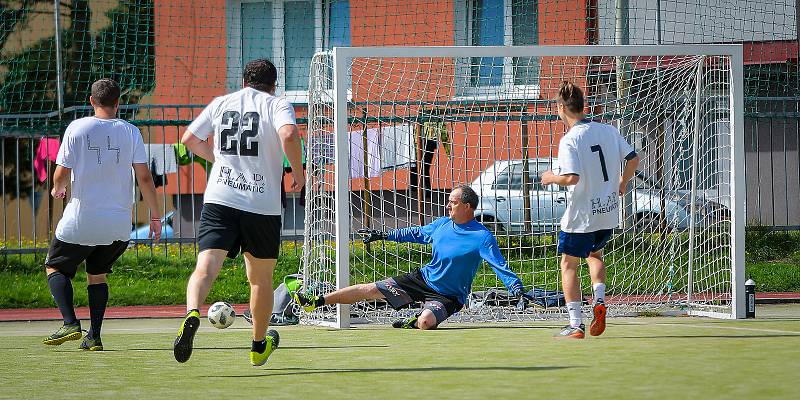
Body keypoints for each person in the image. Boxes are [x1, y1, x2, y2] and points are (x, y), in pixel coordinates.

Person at [174, 58, 304, 366]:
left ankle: (192, 312)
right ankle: (258, 346)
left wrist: (217, 158)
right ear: (274, 84)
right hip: (262, 204)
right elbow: (288, 135)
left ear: (244, 80)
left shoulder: (222, 102)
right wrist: (298, 172)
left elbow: (189, 139)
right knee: (260, 280)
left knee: (205, 268)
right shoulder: (277, 104)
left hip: (221, 198)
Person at [292, 185, 530, 330]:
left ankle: (414, 321)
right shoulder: (441, 225)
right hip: (422, 280)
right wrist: (383, 234)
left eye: (453, 202)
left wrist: (516, 288)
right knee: (371, 289)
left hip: (449, 296)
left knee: (426, 322)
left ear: (467, 207)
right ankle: (318, 301)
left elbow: (500, 266)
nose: (448, 206)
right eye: (448, 202)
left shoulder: (482, 237)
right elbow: (414, 233)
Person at [42, 78, 162, 351]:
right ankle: (94, 336)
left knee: (55, 266)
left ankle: (71, 322)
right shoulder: (131, 132)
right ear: (118, 103)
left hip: (82, 219)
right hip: (118, 225)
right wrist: (155, 216)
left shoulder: (77, 127)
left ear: (92, 101)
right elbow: (144, 177)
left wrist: (57, 189)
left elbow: (62, 172)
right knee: (97, 275)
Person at [541, 81, 640, 339]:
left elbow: (572, 177)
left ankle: (575, 324)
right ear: (583, 105)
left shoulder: (570, 139)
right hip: (607, 212)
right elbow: (633, 159)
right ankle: (599, 301)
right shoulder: (608, 130)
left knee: (568, 265)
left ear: (561, 107)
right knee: (595, 255)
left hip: (581, 215)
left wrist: (551, 177)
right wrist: (623, 181)